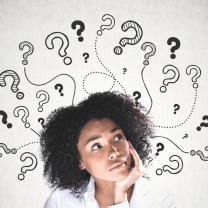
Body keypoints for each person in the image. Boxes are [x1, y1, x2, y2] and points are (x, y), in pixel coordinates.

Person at [40, 91, 176, 208]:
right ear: (79, 160)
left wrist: (120, 193)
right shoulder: (61, 202)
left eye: (117, 137)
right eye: (96, 146)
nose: (114, 152)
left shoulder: (158, 199)